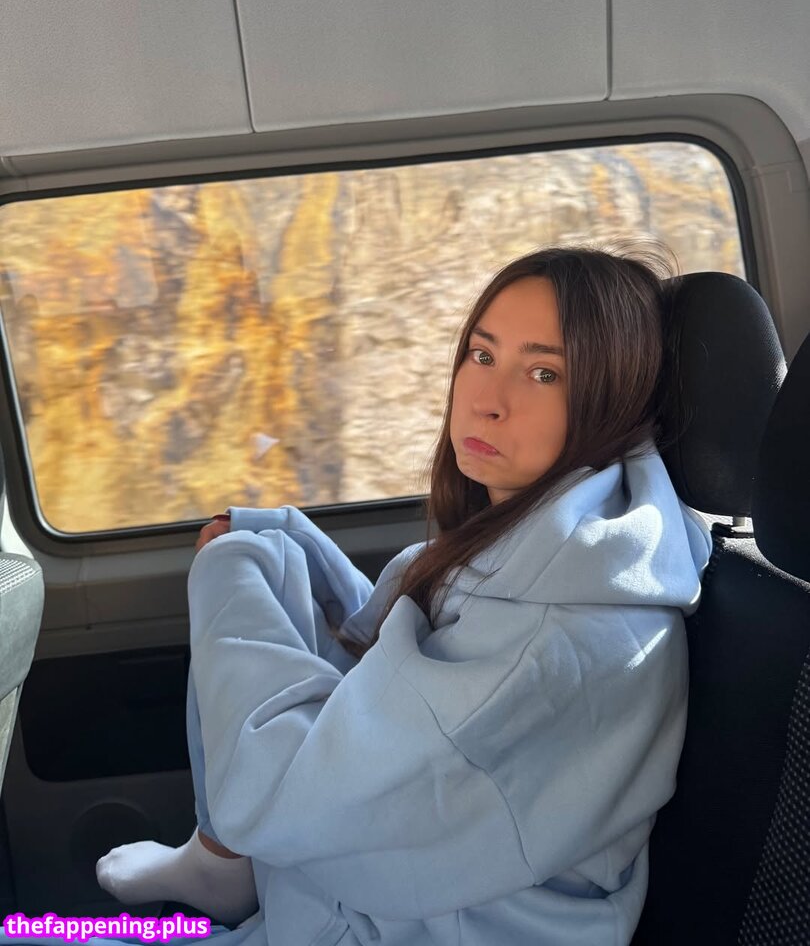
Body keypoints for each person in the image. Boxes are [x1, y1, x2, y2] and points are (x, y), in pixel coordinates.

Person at [24, 246, 712, 946]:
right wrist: (276, 546)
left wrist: (231, 574)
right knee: (266, 556)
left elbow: (281, 794)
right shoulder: (563, 552)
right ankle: (222, 861)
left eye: (544, 373)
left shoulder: (555, 639)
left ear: (609, 403)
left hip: (404, 932)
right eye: (482, 355)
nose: (488, 399)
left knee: (27, 935)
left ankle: (224, 859)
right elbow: (403, 664)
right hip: (380, 906)